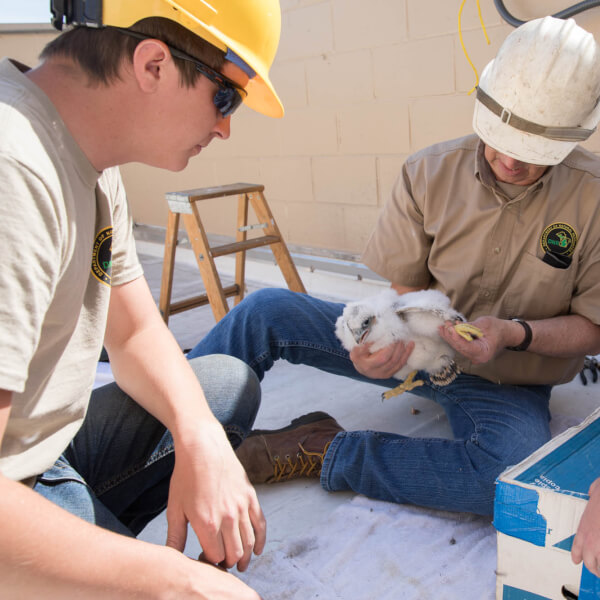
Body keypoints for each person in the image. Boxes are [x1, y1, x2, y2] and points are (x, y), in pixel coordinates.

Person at [188, 13, 600, 545]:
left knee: (507, 475)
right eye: (501, 138)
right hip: (423, 349)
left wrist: (513, 333)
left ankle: (323, 448)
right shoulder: (428, 172)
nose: (509, 160)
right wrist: (392, 338)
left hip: (509, 380)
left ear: (571, 139)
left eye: (532, 151)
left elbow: (593, 327)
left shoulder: (592, 197)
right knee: (265, 312)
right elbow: (405, 291)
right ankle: (160, 440)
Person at [0, 0, 285, 597]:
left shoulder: (92, 158)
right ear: (153, 64)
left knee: (221, 390)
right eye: (225, 98)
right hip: (13, 482)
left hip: (42, 447)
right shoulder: (14, 171)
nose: (226, 126)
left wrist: (198, 437)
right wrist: (168, 581)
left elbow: (131, 334)